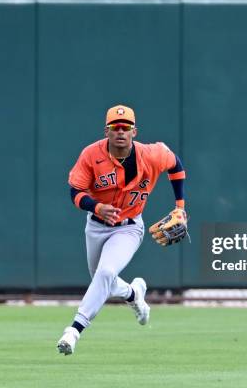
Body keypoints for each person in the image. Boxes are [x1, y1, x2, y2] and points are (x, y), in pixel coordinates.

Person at [57, 104, 187, 355]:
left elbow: (176, 165)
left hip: (128, 228)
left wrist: (180, 206)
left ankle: (74, 330)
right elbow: (76, 192)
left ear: (134, 132)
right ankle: (133, 293)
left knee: (105, 273)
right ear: (106, 131)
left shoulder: (151, 154)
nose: (120, 131)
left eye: (125, 127)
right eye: (115, 127)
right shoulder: (90, 155)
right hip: (96, 226)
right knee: (102, 279)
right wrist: (96, 207)